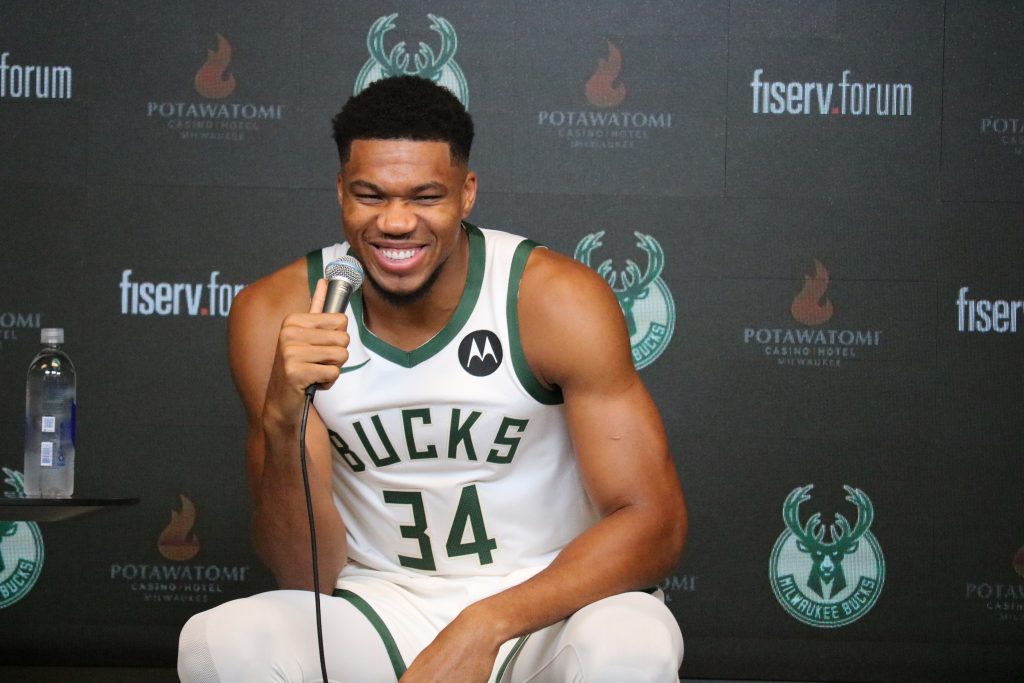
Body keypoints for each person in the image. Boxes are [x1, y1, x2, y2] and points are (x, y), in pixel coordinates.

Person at [178, 75, 687, 682]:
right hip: (379, 607)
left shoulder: (551, 299)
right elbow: (303, 573)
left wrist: (484, 624)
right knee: (219, 640)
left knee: (635, 642)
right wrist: (285, 414)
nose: (396, 223)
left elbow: (655, 523)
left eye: (425, 197)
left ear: (466, 193)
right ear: (340, 191)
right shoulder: (278, 312)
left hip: (544, 610)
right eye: (370, 195)